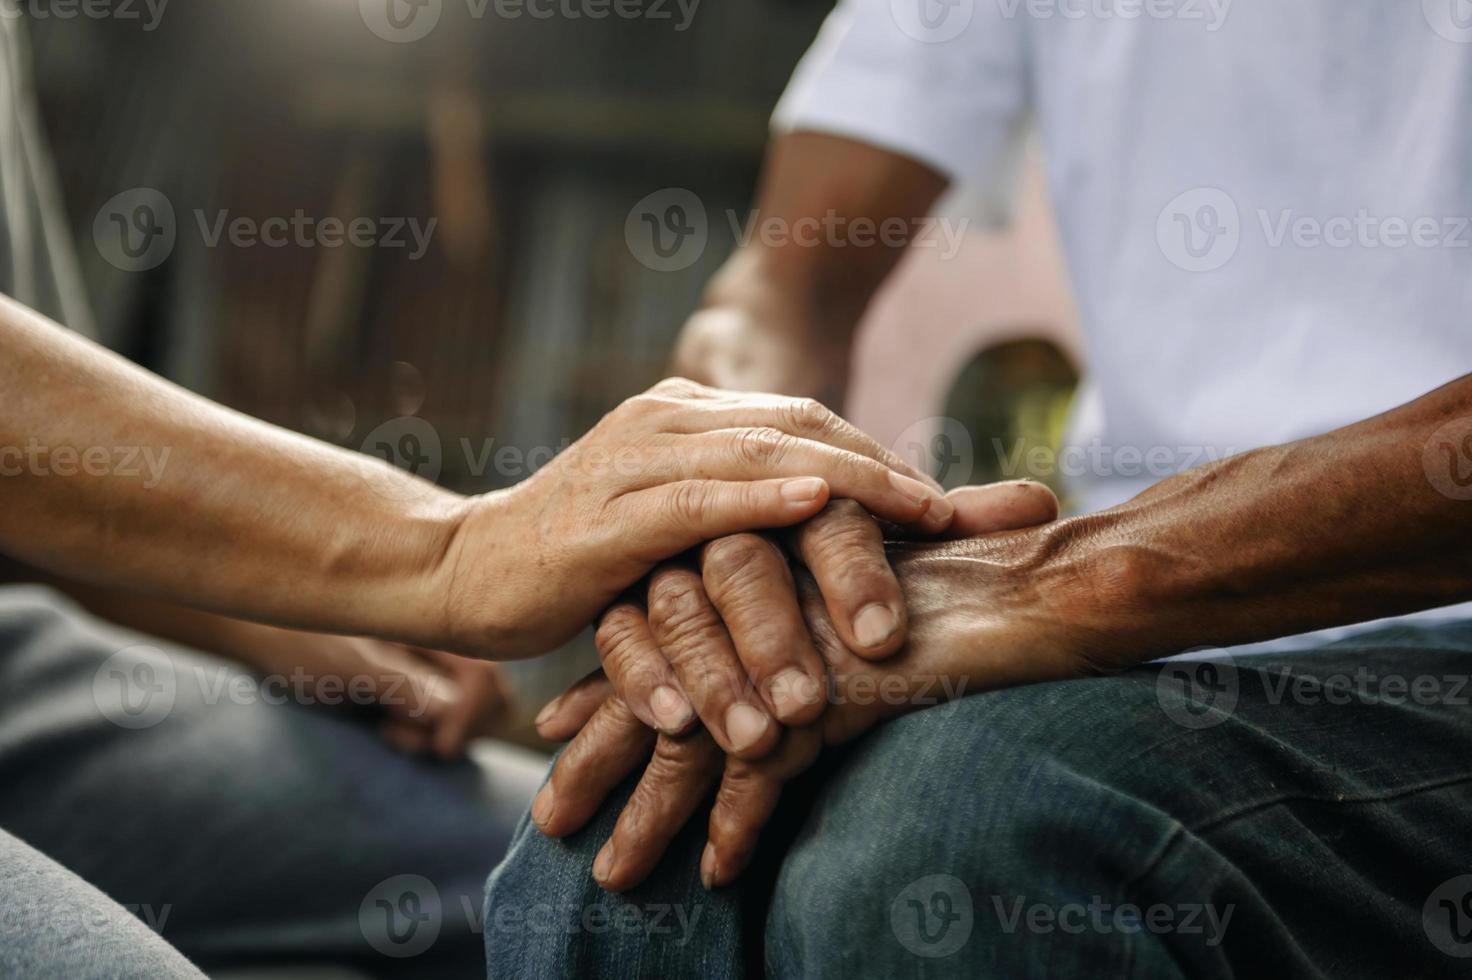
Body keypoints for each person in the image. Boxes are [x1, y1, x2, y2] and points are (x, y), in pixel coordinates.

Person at [485, 2, 1472, 976]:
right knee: (618, 828)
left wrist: (1065, 583)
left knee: (963, 814)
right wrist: (746, 517)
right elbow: (781, 291)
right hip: (1160, 636)